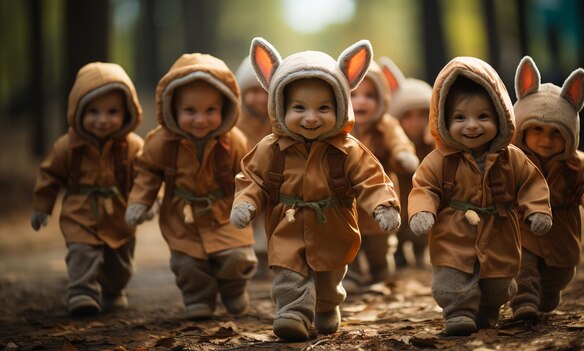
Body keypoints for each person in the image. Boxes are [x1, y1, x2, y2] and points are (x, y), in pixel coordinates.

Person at [230, 37, 401, 341]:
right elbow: (252, 178)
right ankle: (292, 313)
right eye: (299, 107)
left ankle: (326, 306)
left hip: (333, 223)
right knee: (288, 270)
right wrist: (246, 203)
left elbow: (370, 178)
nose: (311, 117)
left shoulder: (347, 150)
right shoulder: (271, 148)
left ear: (340, 105)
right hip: (288, 221)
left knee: (328, 274)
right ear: (280, 106)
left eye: (323, 107)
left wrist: (382, 205)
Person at [407, 57, 553, 335]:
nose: (471, 126)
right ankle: (458, 312)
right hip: (453, 231)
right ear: (443, 120)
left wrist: (538, 209)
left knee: (497, 284)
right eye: (460, 118)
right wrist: (422, 211)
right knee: (451, 279)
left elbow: (532, 183)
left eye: (483, 117)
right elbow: (424, 186)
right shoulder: (440, 160)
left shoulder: (512, 158)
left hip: (498, 229)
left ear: (500, 117)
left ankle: (488, 308)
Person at [125, 53, 256, 320]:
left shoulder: (234, 140)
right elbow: (147, 173)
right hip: (182, 213)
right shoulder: (160, 142)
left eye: (211, 110)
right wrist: (140, 201)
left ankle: (234, 289)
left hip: (223, 208)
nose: (200, 120)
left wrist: (248, 201)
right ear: (172, 108)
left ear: (226, 107)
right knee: (187, 261)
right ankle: (198, 297)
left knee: (236, 255)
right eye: (190, 111)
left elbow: (248, 174)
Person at [31, 62, 145, 316]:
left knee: (120, 264)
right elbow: (50, 175)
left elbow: (145, 177)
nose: (102, 120)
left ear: (127, 112)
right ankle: (81, 292)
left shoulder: (133, 146)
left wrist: (147, 201)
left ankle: (114, 290)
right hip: (80, 212)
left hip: (119, 214)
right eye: (93, 111)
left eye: (112, 111)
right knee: (82, 251)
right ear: (77, 110)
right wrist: (42, 206)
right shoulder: (68, 146)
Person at [509, 56, 584, 321]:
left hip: (561, 229)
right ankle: (523, 302)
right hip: (523, 225)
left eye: (556, 133)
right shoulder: (514, 159)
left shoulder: (577, 163)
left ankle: (548, 293)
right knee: (522, 264)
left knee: (559, 274)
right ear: (522, 129)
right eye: (537, 129)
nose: (545, 139)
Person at [346, 60, 419, 290]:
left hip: (381, 197)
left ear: (382, 99)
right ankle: (353, 274)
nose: (361, 101)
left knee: (379, 244)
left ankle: (380, 270)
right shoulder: (339, 128)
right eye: (354, 95)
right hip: (349, 201)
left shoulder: (387, 125)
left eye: (370, 95)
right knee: (348, 241)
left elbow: (399, 142)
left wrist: (403, 155)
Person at [379, 56, 435, 268]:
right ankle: (400, 253)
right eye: (408, 116)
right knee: (399, 227)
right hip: (398, 195)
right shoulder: (390, 140)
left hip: (423, 199)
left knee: (422, 230)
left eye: (423, 115)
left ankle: (421, 252)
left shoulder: (434, 144)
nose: (415, 122)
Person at [234, 55, 273, 279]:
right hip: (244, 179)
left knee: (269, 222)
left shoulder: (277, 119)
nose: (259, 98)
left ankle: (266, 256)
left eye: (264, 92)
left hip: (271, 179)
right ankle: (248, 258)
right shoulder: (237, 122)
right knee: (247, 219)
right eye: (253, 92)